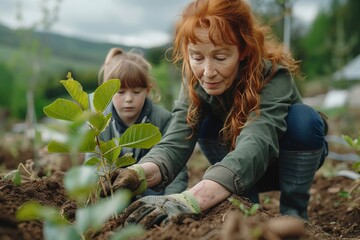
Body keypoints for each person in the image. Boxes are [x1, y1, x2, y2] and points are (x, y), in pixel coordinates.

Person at [110, 0, 329, 226]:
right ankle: (246, 204)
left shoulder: (274, 76)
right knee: (202, 121)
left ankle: (294, 212)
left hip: (280, 164)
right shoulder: (196, 81)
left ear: (243, 50)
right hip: (236, 170)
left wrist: (191, 200)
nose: (208, 72)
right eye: (196, 57)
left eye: (220, 57)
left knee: (304, 119)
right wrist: (138, 174)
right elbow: (176, 138)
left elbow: (258, 140)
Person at [84, 47, 189, 197]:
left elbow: (177, 169)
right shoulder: (99, 124)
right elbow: (92, 165)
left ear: (147, 91)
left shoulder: (163, 120)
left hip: (151, 198)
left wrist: (168, 202)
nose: (128, 99)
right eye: (120, 92)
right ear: (108, 94)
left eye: (136, 92)